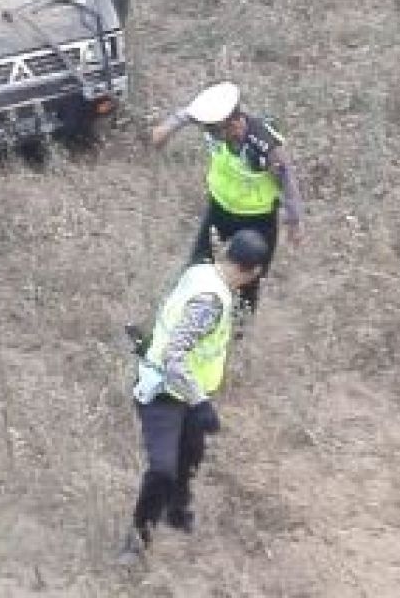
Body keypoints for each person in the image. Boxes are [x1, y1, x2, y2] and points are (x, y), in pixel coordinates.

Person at [118, 228, 271, 565]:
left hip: (185, 390)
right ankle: (135, 541)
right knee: (162, 470)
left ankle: (177, 509)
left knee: (192, 451)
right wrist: (200, 403)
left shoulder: (201, 271)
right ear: (255, 271)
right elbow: (175, 355)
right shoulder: (211, 302)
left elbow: (171, 315)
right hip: (164, 392)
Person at [150, 82, 303, 319]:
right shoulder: (215, 123)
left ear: (234, 122)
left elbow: (287, 179)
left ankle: (237, 331)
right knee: (196, 268)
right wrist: (165, 130)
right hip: (219, 210)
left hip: (256, 222)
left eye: (215, 131)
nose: (211, 135)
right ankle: (177, 316)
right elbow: (187, 115)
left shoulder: (263, 145)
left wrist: (294, 220)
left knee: (248, 283)